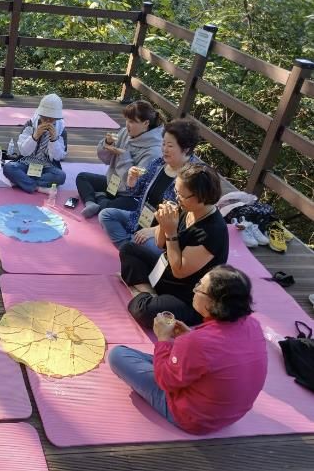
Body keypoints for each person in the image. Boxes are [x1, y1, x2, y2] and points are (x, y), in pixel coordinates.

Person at [109, 265, 267, 435]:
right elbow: (221, 356)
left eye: (199, 287)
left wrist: (163, 339)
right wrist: (188, 337)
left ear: (213, 303)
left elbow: (165, 382)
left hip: (194, 418)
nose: (194, 289)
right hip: (230, 414)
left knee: (118, 355)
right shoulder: (253, 325)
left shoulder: (197, 342)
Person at [120, 163, 228, 328]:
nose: (177, 198)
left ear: (202, 196)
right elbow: (159, 244)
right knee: (128, 249)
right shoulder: (186, 208)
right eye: (176, 192)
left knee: (143, 311)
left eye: (182, 195)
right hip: (165, 271)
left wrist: (171, 232)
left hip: (188, 294)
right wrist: (163, 223)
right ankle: (149, 294)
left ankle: (144, 295)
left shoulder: (212, 231)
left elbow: (179, 271)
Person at [98, 119, 199, 252]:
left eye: (170, 146)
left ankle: (132, 250)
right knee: (106, 215)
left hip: (163, 233)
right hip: (140, 218)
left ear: (186, 149)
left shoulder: (194, 176)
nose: (164, 149)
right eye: (163, 144)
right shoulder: (159, 163)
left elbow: (189, 219)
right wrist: (132, 181)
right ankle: (129, 250)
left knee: (138, 243)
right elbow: (136, 192)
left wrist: (154, 230)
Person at [76, 100, 164, 218]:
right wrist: (107, 143)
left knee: (110, 210)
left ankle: (100, 197)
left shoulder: (154, 151)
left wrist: (124, 156)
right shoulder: (124, 132)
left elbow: (135, 186)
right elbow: (105, 159)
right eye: (127, 120)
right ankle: (91, 202)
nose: (127, 125)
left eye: (132, 121)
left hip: (129, 195)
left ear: (146, 123)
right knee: (82, 177)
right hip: (113, 184)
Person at [2, 94, 67, 194]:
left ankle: (23, 182)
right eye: (45, 117)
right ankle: (38, 187)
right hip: (26, 162)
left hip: (47, 166)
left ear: (57, 118)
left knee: (60, 176)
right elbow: (23, 151)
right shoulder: (30, 124)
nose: (48, 121)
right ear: (40, 114)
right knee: (8, 168)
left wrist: (54, 140)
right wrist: (35, 136)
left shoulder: (61, 130)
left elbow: (59, 157)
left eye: (51, 119)